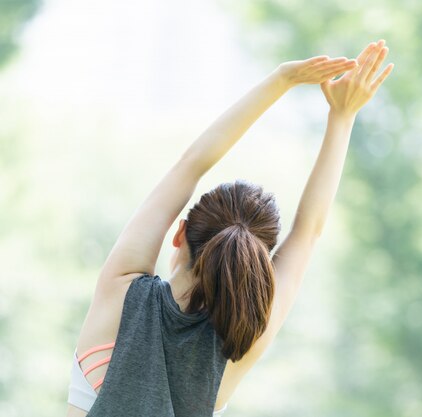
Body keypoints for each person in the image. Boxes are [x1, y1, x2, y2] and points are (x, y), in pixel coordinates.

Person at [66, 39, 393, 417]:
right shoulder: (240, 345)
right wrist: (343, 116)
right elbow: (309, 232)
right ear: (255, 262)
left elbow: (190, 165)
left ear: (179, 233)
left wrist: (281, 79)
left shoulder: (121, 293)